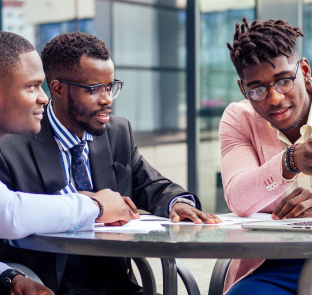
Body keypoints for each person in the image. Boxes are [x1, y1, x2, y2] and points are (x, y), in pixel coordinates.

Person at [0, 31, 221, 295]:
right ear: (57, 88)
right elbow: (8, 219)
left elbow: (151, 185)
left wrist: (179, 203)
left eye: (110, 87)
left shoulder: (117, 133)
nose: (106, 99)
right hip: (48, 285)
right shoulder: (12, 142)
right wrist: (11, 276)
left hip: (115, 284)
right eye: (94, 90)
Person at [0, 31, 138, 295]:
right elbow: (9, 214)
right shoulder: (12, 149)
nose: (42, 97)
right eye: (31, 86)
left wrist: (7, 277)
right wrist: (96, 205)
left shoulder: (117, 133)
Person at [219, 17, 312, 294]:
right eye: (257, 89)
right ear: (242, 89)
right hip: (272, 265)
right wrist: (289, 161)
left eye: (284, 81)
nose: (273, 99)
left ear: (304, 70)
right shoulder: (239, 118)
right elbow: (239, 199)